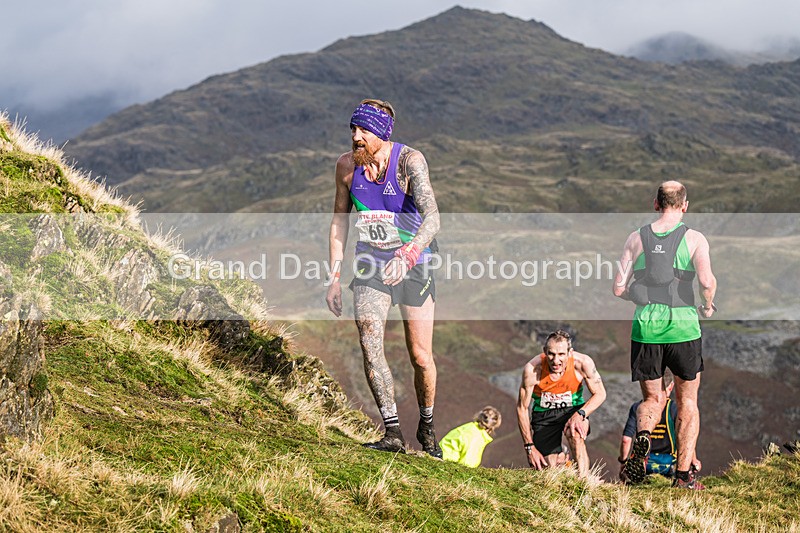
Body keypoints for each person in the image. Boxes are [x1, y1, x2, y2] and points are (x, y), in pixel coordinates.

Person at [326, 99, 442, 456]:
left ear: (382, 133)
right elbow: (338, 223)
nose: (356, 137)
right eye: (353, 130)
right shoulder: (347, 168)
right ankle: (392, 432)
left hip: (416, 259)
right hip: (371, 259)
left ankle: (426, 424)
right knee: (369, 337)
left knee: (420, 356)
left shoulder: (409, 162)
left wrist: (407, 256)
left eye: (364, 131)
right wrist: (333, 278)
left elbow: (433, 218)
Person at [613, 180, 717, 490]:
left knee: (651, 400)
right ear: (685, 205)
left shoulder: (636, 238)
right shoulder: (695, 238)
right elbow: (707, 282)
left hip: (647, 330)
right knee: (687, 403)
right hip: (684, 328)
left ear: (655, 204)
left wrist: (641, 294)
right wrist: (707, 306)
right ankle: (683, 477)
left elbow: (618, 288)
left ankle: (642, 438)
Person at [516, 330, 607, 478]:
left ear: (570, 353)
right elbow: (522, 408)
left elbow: (600, 393)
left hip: (573, 409)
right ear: (544, 351)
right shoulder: (533, 369)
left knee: (575, 434)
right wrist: (529, 447)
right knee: (547, 468)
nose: (555, 360)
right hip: (544, 413)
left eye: (561, 355)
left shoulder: (583, 363)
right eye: (551, 354)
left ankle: (584, 483)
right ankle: (561, 457)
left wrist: (581, 414)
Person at [618, 370, 702, 483]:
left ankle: (641, 457)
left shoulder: (638, 408)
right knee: (685, 424)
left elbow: (626, 440)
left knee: (640, 483)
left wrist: (623, 462)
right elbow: (685, 435)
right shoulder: (675, 408)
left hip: (647, 464)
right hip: (669, 463)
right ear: (671, 386)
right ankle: (682, 478)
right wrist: (693, 459)